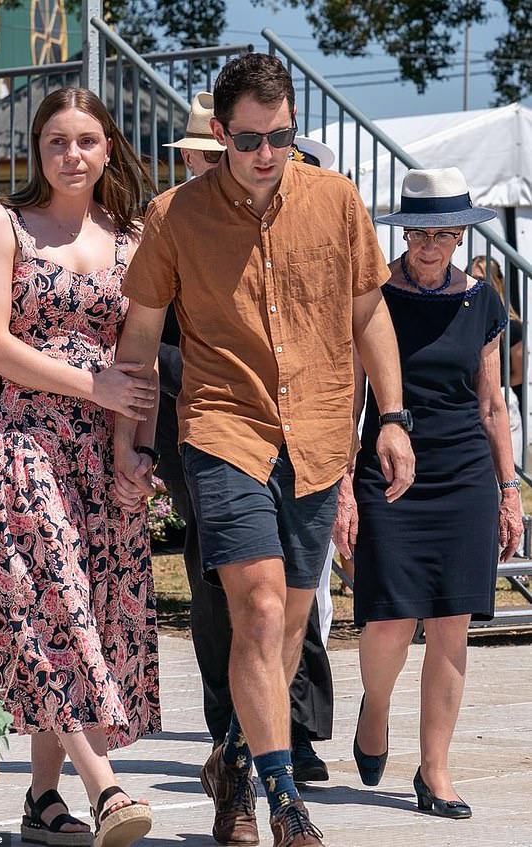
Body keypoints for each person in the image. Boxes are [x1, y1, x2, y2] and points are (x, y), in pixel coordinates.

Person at [113, 53, 413, 847]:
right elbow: (138, 342)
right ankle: (284, 802)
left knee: (284, 634)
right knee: (263, 605)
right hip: (223, 431)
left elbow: (368, 316)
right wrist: (129, 438)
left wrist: (393, 416)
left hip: (316, 434)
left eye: (280, 136)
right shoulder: (176, 217)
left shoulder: (336, 200)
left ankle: (234, 766)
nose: (267, 154)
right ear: (220, 134)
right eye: (249, 140)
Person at [0, 87, 160, 847]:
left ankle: (42, 798)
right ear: (36, 151)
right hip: (14, 441)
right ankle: (104, 787)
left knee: (89, 610)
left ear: (108, 147)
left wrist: (133, 446)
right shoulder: (1, 223)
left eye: (85, 140)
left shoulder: (135, 237)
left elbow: (139, 361)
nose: (71, 154)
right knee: (52, 598)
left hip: (96, 448)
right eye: (55, 142)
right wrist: (94, 383)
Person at [336, 167, 523, 820]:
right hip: (387, 474)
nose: (431, 244)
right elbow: (349, 400)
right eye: (420, 231)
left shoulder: (484, 303)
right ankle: (376, 706)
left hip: (466, 476)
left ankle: (435, 771)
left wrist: (509, 490)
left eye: (445, 232)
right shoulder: (371, 296)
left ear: (461, 233)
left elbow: (493, 404)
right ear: (405, 230)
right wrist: (342, 489)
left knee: (451, 624)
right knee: (387, 617)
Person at [159, 99, 337, 784]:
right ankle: (230, 734)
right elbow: (152, 343)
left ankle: (292, 726)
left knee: (291, 587)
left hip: (291, 425)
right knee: (226, 592)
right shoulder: (174, 220)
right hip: (202, 427)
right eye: (212, 148)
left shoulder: (285, 216)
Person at [470, 255, 524, 466]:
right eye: (470, 278)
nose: (475, 284)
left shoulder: (512, 326)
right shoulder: (462, 320)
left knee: (508, 477)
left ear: (496, 282)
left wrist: (494, 387)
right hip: (469, 399)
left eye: (481, 279)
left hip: (499, 397)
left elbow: (518, 374)